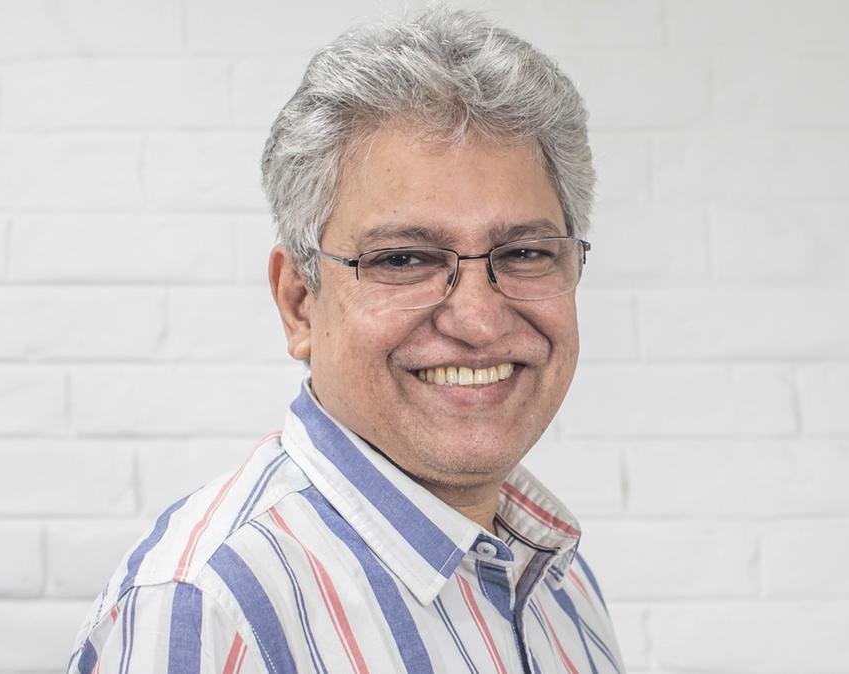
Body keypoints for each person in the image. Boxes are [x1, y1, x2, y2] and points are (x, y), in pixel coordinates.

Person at [66, 6, 622, 673]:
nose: (478, 321)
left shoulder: (556, 577)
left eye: (525, 252)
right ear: (299, 303)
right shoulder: (209, 610)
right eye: (403, 259)